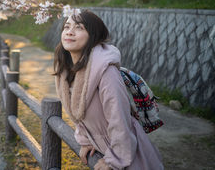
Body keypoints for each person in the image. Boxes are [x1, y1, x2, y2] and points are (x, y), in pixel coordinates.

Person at [54, 9, 163, 170]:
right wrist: (86, 140)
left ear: (94, 35)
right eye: (67, 27)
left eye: (79, 28)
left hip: (131, 157)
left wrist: (114, 159)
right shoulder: (66, 70)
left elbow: (119, 120)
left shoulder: (106, 71)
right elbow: (78, 113)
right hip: (103, 148)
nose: (70, 32)